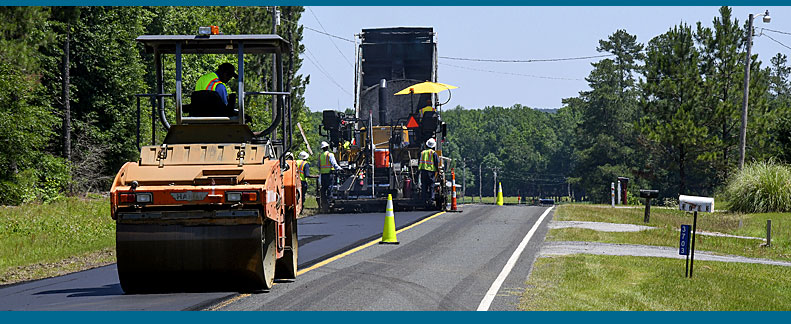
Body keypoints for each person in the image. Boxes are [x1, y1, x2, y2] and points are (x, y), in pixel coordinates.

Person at [318, 141, 342, 211]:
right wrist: (340, 169)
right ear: (327, 147)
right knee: (329, 188)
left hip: (323, 174)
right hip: (329, 174)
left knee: (323, 189)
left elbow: (319, 165)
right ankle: (329, 202)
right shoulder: (330, 154)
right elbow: (334, 164)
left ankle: (324, 202)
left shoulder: (320, 155)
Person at [418, 138, 440, 205]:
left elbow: (419, 162)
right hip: (431, 172)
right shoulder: (433, 153)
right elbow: (436, 163)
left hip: (423, 171)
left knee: (424, 186)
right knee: (431, 186)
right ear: (433, 146)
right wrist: (438, 170)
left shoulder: (422, 153)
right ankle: (431, 199)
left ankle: (423, 200)